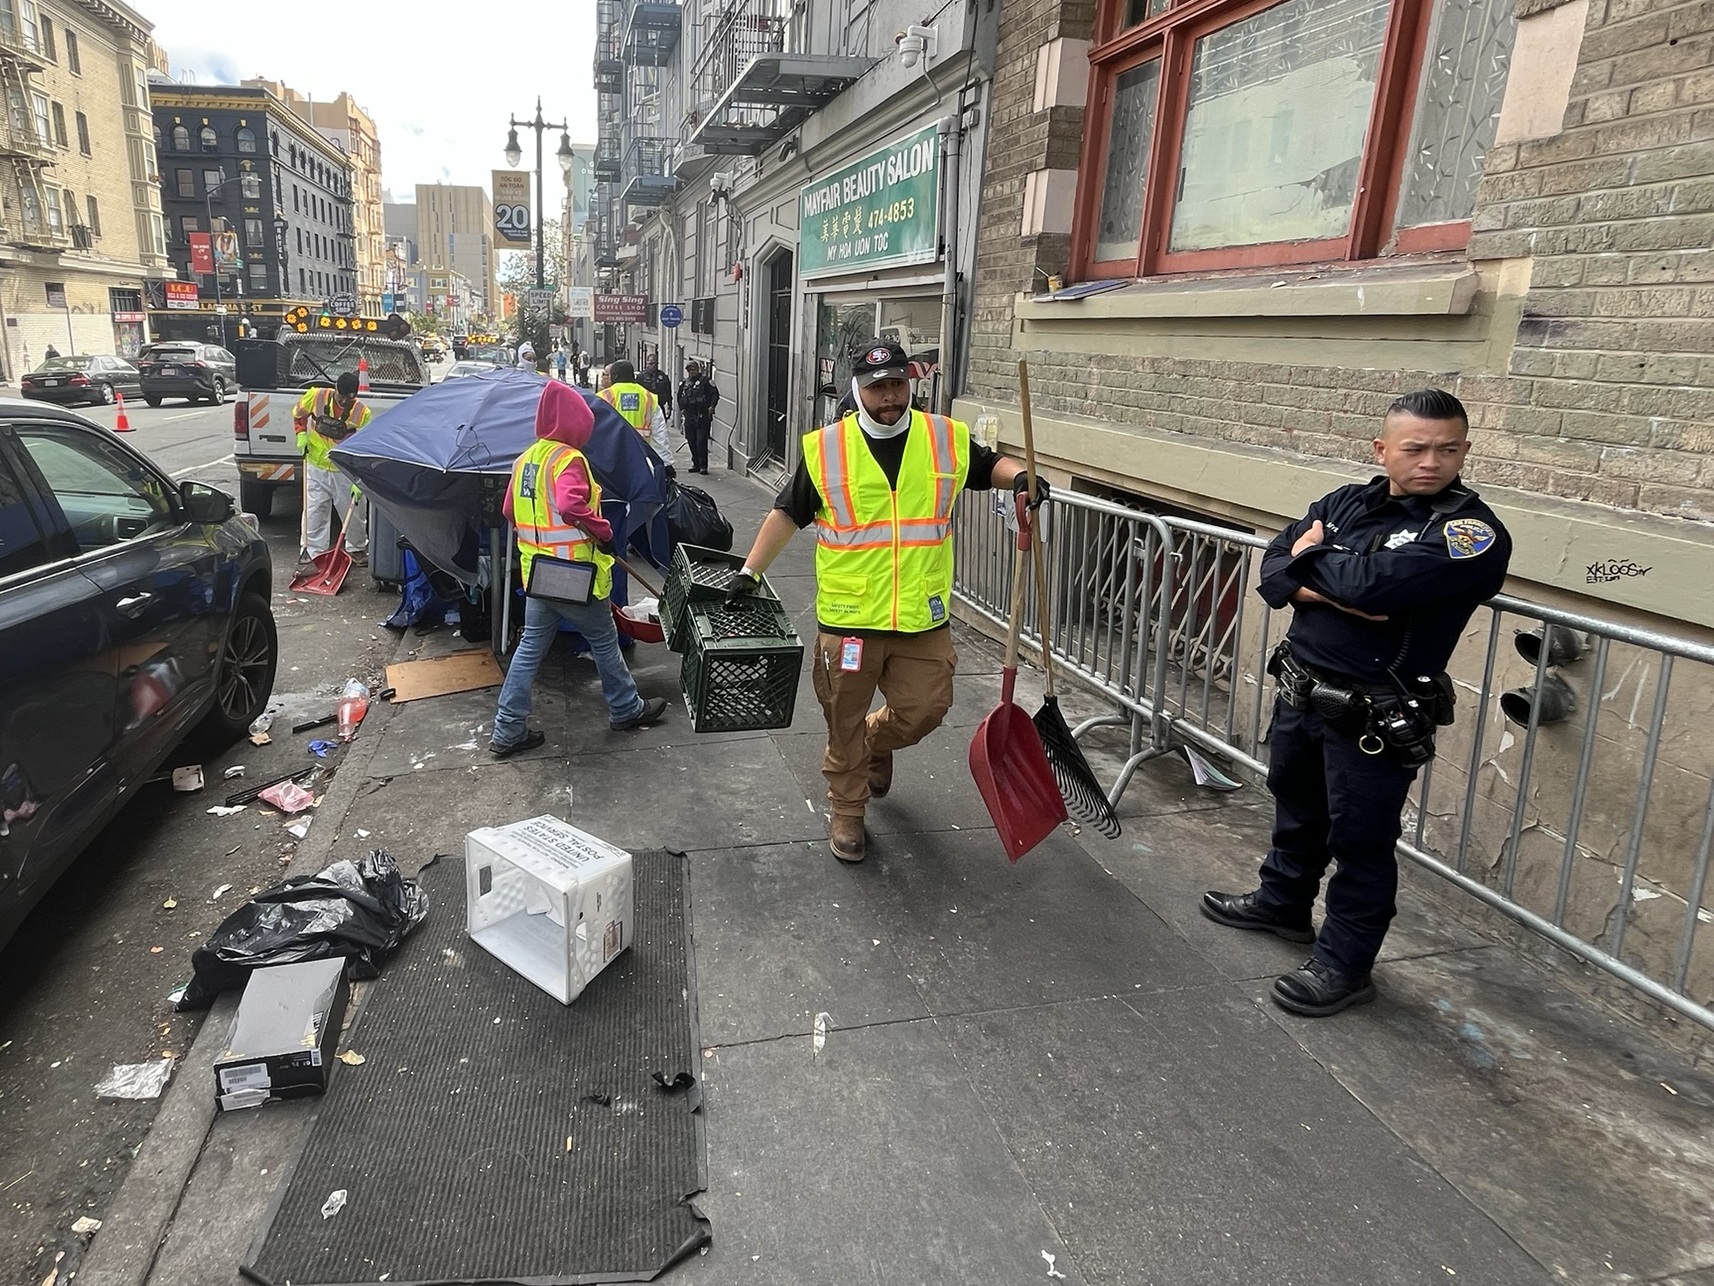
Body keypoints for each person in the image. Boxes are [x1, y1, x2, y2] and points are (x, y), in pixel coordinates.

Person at [1201, 388, 1512, 1017]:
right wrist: (1319, 573)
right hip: (1304, 691)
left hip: (1376, 712)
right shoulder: (1347, 501)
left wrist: (1312, 562)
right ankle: (1283, 905)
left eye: (1448, 449)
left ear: (1465, 451)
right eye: (1416, 448)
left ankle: (1346, 963)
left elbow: (1374, 589)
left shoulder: (1471, 532)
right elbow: (1272, 569)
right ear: (1383, 449)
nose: (1431, 461)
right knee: (1296, 805)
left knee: (1361, 842)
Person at [728, 338, 1047, 864]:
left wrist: (1022, 479)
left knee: (926, 709)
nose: (889, 397)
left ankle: (879, 743)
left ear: (911, 382)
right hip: (851, 621)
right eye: (877, 387)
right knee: (843, 719)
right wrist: (748, 572)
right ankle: (847, 810)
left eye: (897, 384)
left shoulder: (943, 438)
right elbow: (785, 513)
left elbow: (988, 465)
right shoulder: (826, 449)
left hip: (921, 617)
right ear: (858, 389)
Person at [490, 381, 669, 756]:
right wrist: (603, 532)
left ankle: (507, 730)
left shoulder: (526, 459)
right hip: (573, 575)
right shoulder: (568, 459)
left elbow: (509, 511)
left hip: (538, 574)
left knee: (529, 649)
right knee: (604, 640)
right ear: (573, 423)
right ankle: (626, 709)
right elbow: (572, 506)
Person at [292, 371, 371, 570]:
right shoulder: (316, 396)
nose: (344, 401)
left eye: (349, 398)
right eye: (341, 396)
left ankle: (356, 549)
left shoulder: (362, 412)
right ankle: (312, 553)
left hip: (343, 469)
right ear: (335, 389)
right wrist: (301, 436)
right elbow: (298, 415)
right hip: (316, 464)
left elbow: (367, 446)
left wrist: (359, 480)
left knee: (353, 512)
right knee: (314, 510)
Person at [599, 359, 669, 462]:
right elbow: (659, 434)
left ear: (613, 376)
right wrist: (665, 462)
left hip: (612, 458)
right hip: (642, 457)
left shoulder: (603, 397)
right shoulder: (648, 397)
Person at [677, 358, 720, 475]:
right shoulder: (685, 383)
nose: (691, 372)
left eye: (693, 369)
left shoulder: (706, 381)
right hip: (689, 416)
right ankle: (695, 463)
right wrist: (682, 410)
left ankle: (703, 466)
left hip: (702, 416)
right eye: (689, 370)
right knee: (691, 440)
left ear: (698, 369)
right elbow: (679, 396)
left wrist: (711, 406)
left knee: (701, 441)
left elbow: (715, 395)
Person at [637, 354, 673, 420]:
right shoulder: (641, 377)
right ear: (646, 364)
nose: (653, 365)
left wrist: (670, 407)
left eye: (655, 363)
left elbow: (668, 391)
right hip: (646, 407)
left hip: (659, 406)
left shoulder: (662, 376)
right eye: (651, 363)